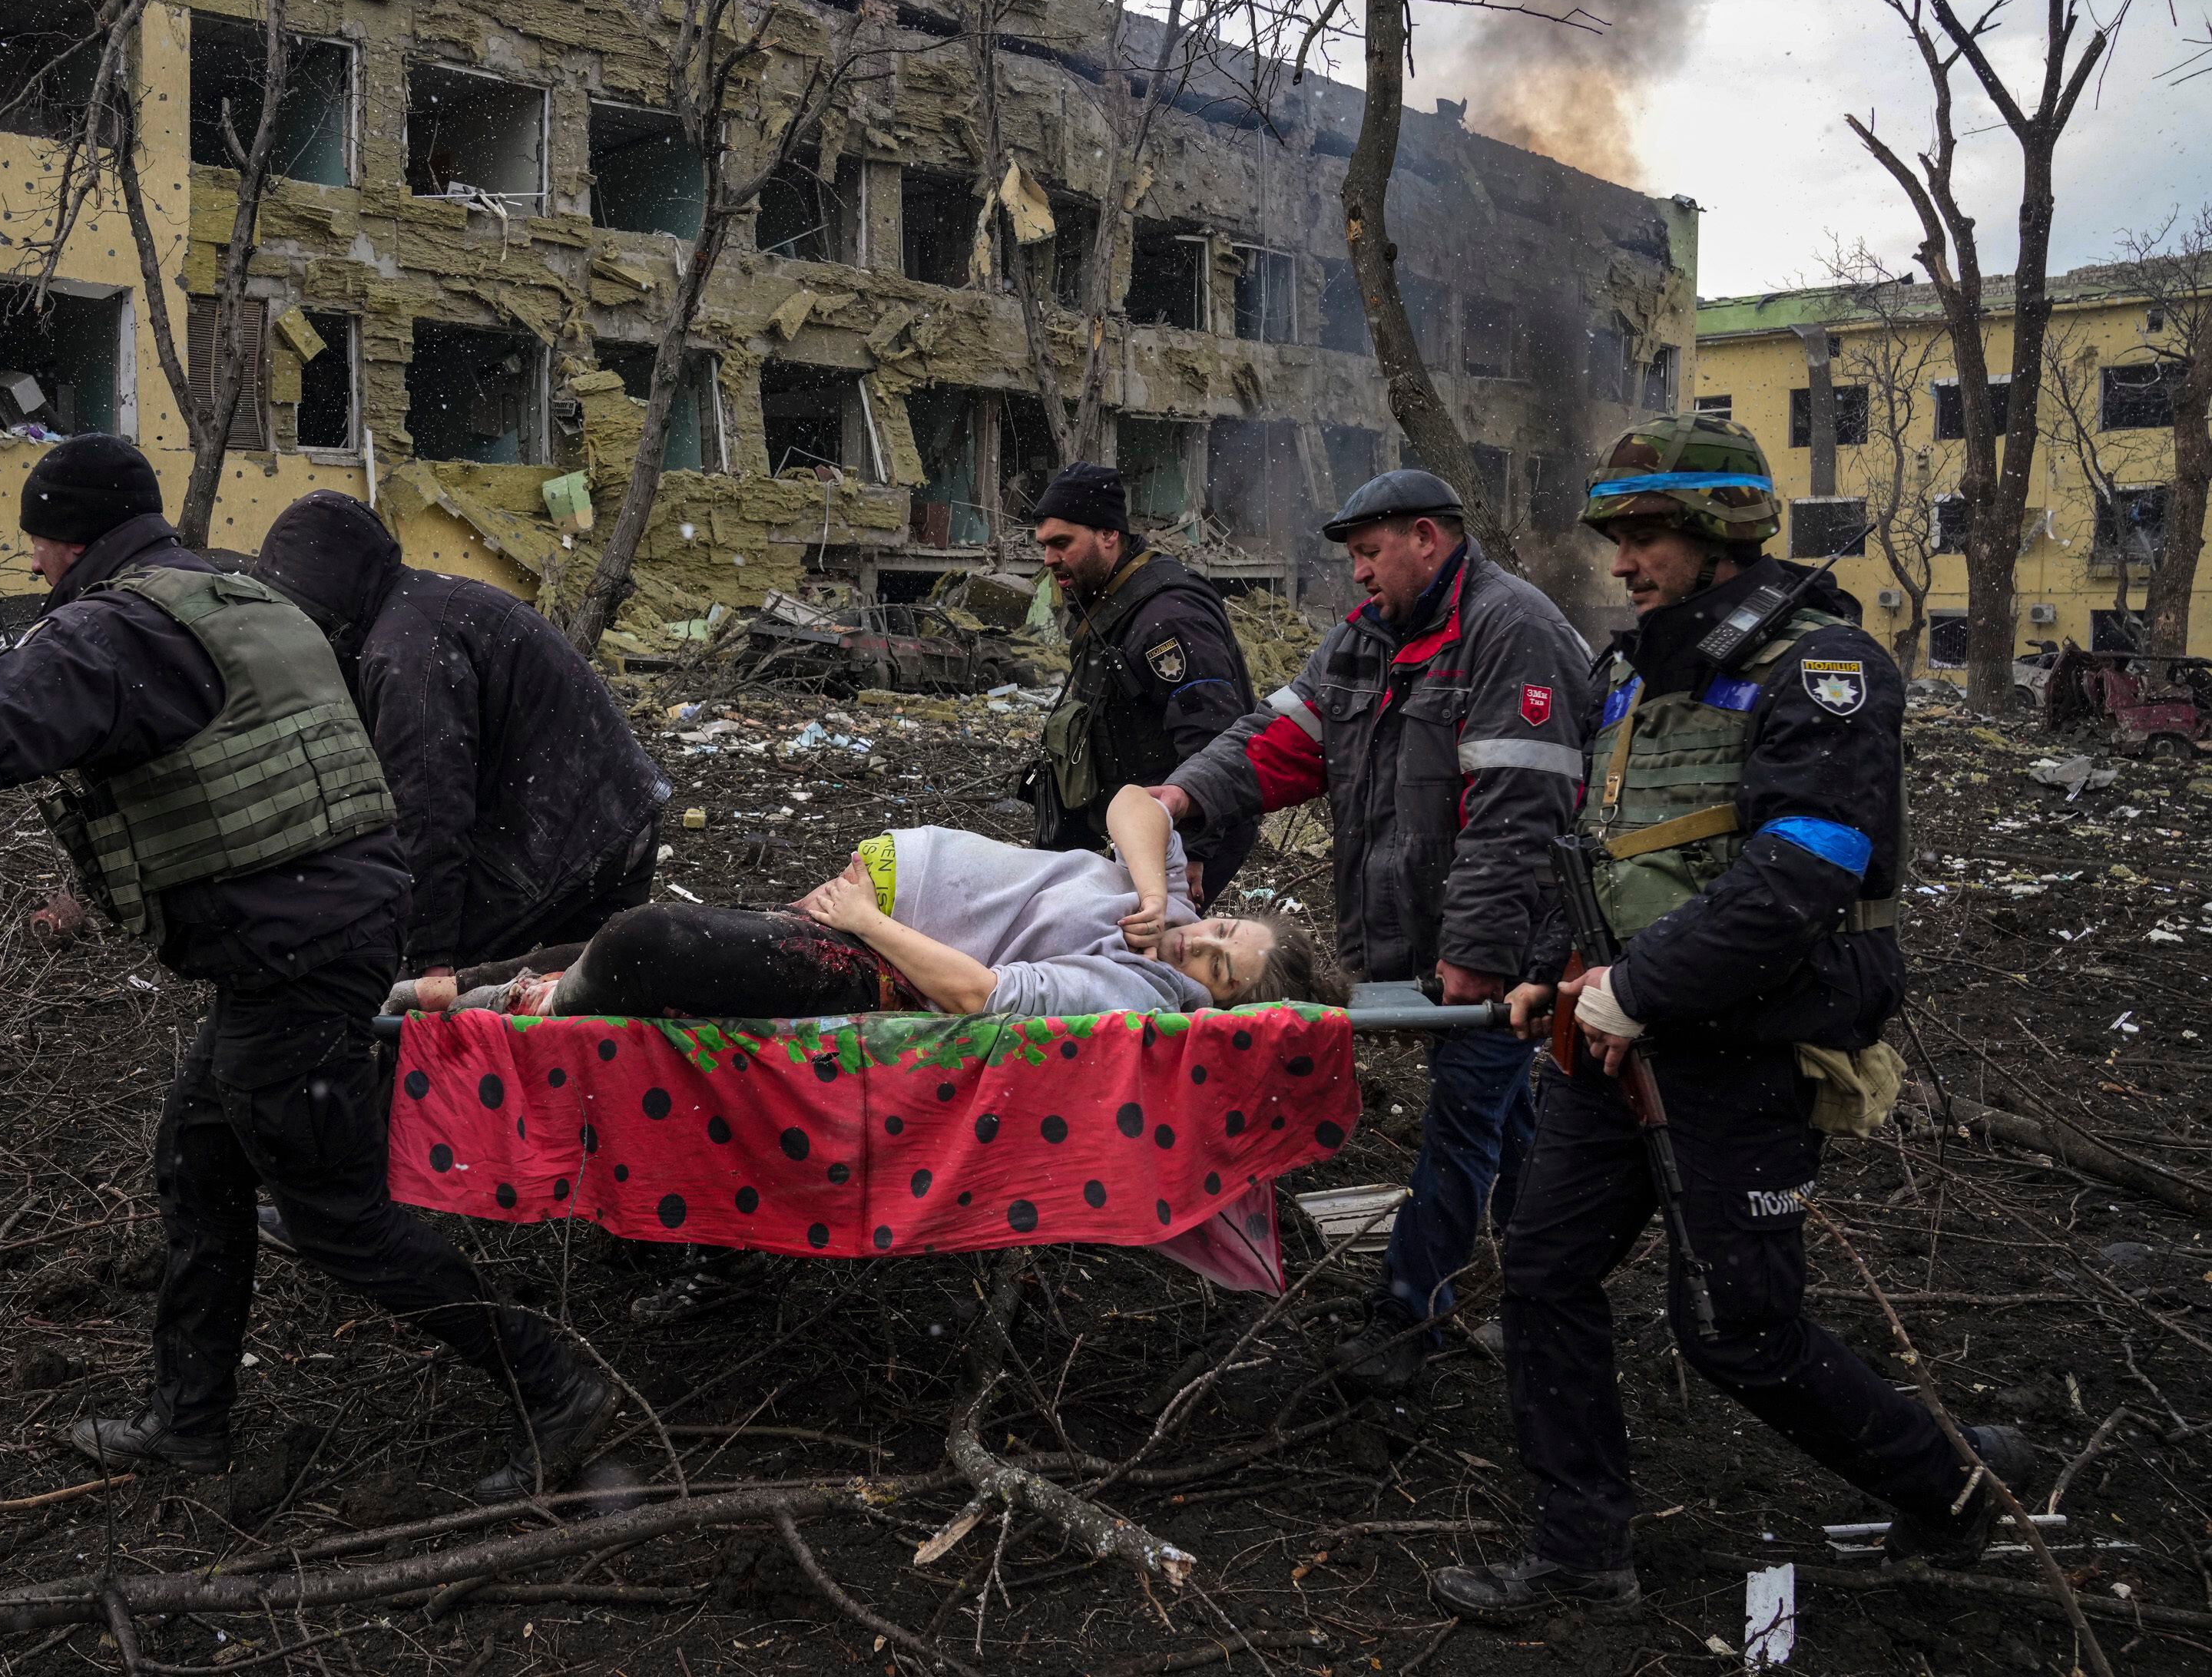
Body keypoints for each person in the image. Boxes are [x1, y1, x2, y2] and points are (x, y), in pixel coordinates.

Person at [0, 436, 617, 1501]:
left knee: (334, 1212)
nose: (31, 566)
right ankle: (187, 1422)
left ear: (67, 540)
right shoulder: (232, 592)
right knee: (199, 1162)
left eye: (35, 542)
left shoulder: (113, 636)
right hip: (320, 929)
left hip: (296, 948)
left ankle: (553, 1386)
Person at [1434, 415, 2032, 1621]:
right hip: (1612, 1045)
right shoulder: (1634, 676)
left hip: (1742, 1053)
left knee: (1736, 1332)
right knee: (1543, 1269)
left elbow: (1804, 870)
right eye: (1620, 536)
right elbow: (1614, 860)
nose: (1623, 560)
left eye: (1647, 534)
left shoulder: (1824, 670)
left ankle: (1957, 1498)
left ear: (1721, 534)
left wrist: (1639, 991)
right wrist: (1565, 975)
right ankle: (1580, 1559)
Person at [1151, 467, 1588, 1392]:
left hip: (1504, 943)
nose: (1356, 575)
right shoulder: (1364, 643)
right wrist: (1183, 796)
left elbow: (1520, 813)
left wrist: (1475, 952)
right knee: (1501, 1112)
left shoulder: (1514, 632)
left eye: (1369, 554)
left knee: (1467, 1114)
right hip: (1420, 937)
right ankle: (1547, 1277)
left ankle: (1409, 1313)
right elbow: (1277, 741)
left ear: (1428, 538)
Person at [253, 491, 670, 999]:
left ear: (323, 604)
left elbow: (429, 805)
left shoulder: (405, 651)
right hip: (616, 814)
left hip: (564, 837)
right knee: (582, 1008)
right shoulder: (419, 608)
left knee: (415, 1000)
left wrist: (430, 959)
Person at [445, 786, 1339, 1021]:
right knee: (652, 946)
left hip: (877, 956)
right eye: (1222, 931)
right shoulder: (1168, 915)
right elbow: (1135, 804)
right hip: (875, 898)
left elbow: (983, 997)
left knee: (651, 944)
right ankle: (442, 987)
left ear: (1215, 1007)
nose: (1199, 949)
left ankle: (498, 1003)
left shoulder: (1142, 993)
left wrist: (871, 924)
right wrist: (1158, 891)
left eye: (1218, 970)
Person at [1023, 463, 1259, 903]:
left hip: (1180, 830)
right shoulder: (1111, 597)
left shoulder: (1168, 618)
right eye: (1044, 546)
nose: (1049, 560)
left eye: (1062, 544)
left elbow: (1213, 736)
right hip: (1138, 823)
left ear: (1109, 534)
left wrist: (1192, 848)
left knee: (1148, 953)